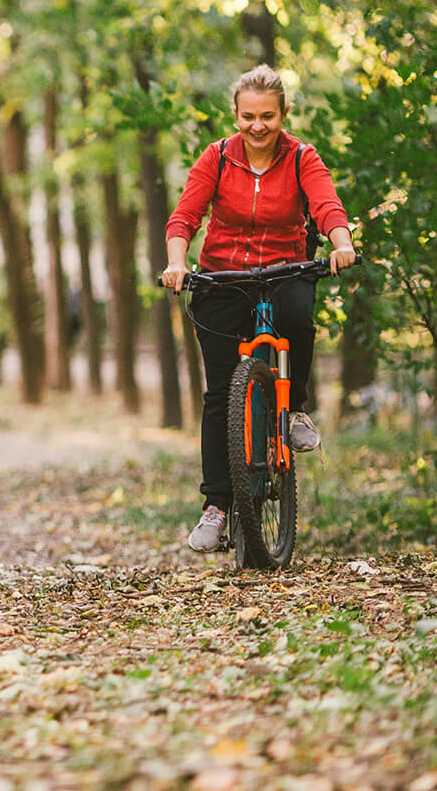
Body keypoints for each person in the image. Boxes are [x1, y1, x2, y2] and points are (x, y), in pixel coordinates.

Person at [160, 66, 358, 553]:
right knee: (220, 393)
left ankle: (295, 410)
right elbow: (185, 215)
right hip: (223, 275)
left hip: (284, 269)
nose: (258, 126)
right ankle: (217, 506)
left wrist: (342, 242)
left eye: (267, 116)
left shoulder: (300, 158)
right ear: (236, 115)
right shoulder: (218, 158)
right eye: (248, 116)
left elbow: (327, 205)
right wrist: (175, 263)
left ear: (283, 113)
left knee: (296, 317)